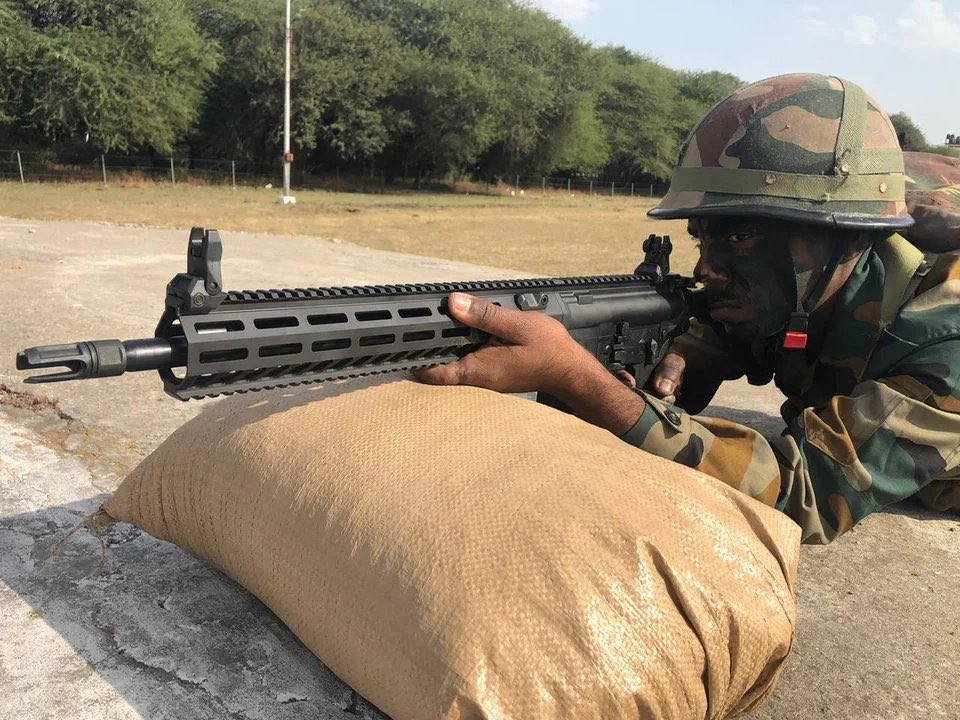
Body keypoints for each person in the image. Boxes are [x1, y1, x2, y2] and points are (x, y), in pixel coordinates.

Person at [416, 73, 960, 544]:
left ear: (850, 241)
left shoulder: (943, 327)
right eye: (703, 240)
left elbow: (806, 495)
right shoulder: (802, 285)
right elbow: (736, 332)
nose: (706, 269)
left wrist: (583, 382)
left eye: (743, 237)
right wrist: (684, 354)